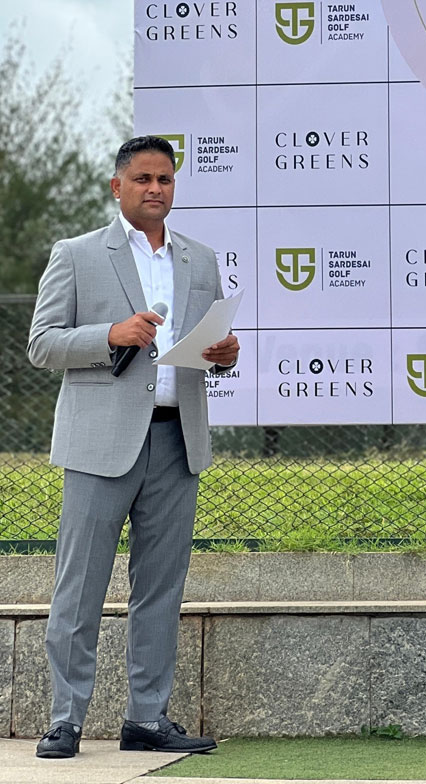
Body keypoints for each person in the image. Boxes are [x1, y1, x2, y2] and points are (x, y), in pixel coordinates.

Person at [28, 135, 239, 760]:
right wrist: (110, 334)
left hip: (178, 438)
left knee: (161, 587)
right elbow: (42, 344)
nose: (155, 189)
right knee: (80, 584)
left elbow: (203, 346)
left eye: (166, 180)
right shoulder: (77, 254)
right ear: (117, 186)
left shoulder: (200, 260)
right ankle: (65, 718)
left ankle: (146, 717)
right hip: (100, 444)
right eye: (143, 178)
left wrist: (224, 355)